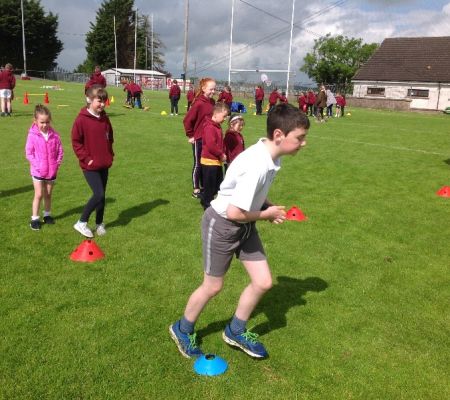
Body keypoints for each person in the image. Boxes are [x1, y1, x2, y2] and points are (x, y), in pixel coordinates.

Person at [169, 103, 310, 359]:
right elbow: (234, 212)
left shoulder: (270, 157)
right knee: (213, 286)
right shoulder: (256, 164)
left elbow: (251, 195)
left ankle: (235, 330)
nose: (304, 143)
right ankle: (182, 328)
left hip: (245, 226)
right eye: (300, 138)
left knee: (263, 282)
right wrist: (267, 214)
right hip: (222, 225)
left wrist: (265, 205)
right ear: (279, 135)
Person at [72, 85, 114, 238]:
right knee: (98, 194)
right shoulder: (81, 120)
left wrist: (110, 154)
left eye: (104, 101)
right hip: (89, 166)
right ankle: (81, 222)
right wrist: (86, 159)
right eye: (99, 101)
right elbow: (76, 142)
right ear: (89, 100)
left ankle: (99, 223)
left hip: (104, 163)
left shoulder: (105, 118)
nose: (102, 104)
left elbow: (110, 137)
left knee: (102, 196)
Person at [25, 105, 64, 230]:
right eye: (42, 122)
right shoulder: (32, 135)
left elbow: (60, 151)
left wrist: (56, 164)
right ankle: (34, 218)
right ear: (35, 121)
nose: (45, 125)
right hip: (38, 171)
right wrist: (38, 166)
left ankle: (47, 215)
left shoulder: (55, 135)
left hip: (51, 171)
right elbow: (29, 153)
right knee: (38, 194)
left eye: (47, 122)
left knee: (48, 194)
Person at [183, 77, 216, 199]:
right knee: (198, 164)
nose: (213, 91)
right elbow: (187, 120)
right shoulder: (198, 103)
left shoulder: (212, 102)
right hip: (199, 138)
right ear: (203, 88)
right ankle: (196, 189)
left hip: (209, 139)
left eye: (214, 89)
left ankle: (205, 187)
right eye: (211, 89)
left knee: (207, 163)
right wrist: (191, 135)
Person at [199, 102, 229, 210]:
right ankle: (207, 205)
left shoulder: (217, 126)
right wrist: (221, 154)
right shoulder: (209, 127)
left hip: (215, 161)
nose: (225, 119)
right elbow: (211, 145)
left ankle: (205, 199)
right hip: (209, 162)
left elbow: (219, 143)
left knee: (218, 185)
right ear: (216, 114)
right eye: (224, 116)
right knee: (210, 187)